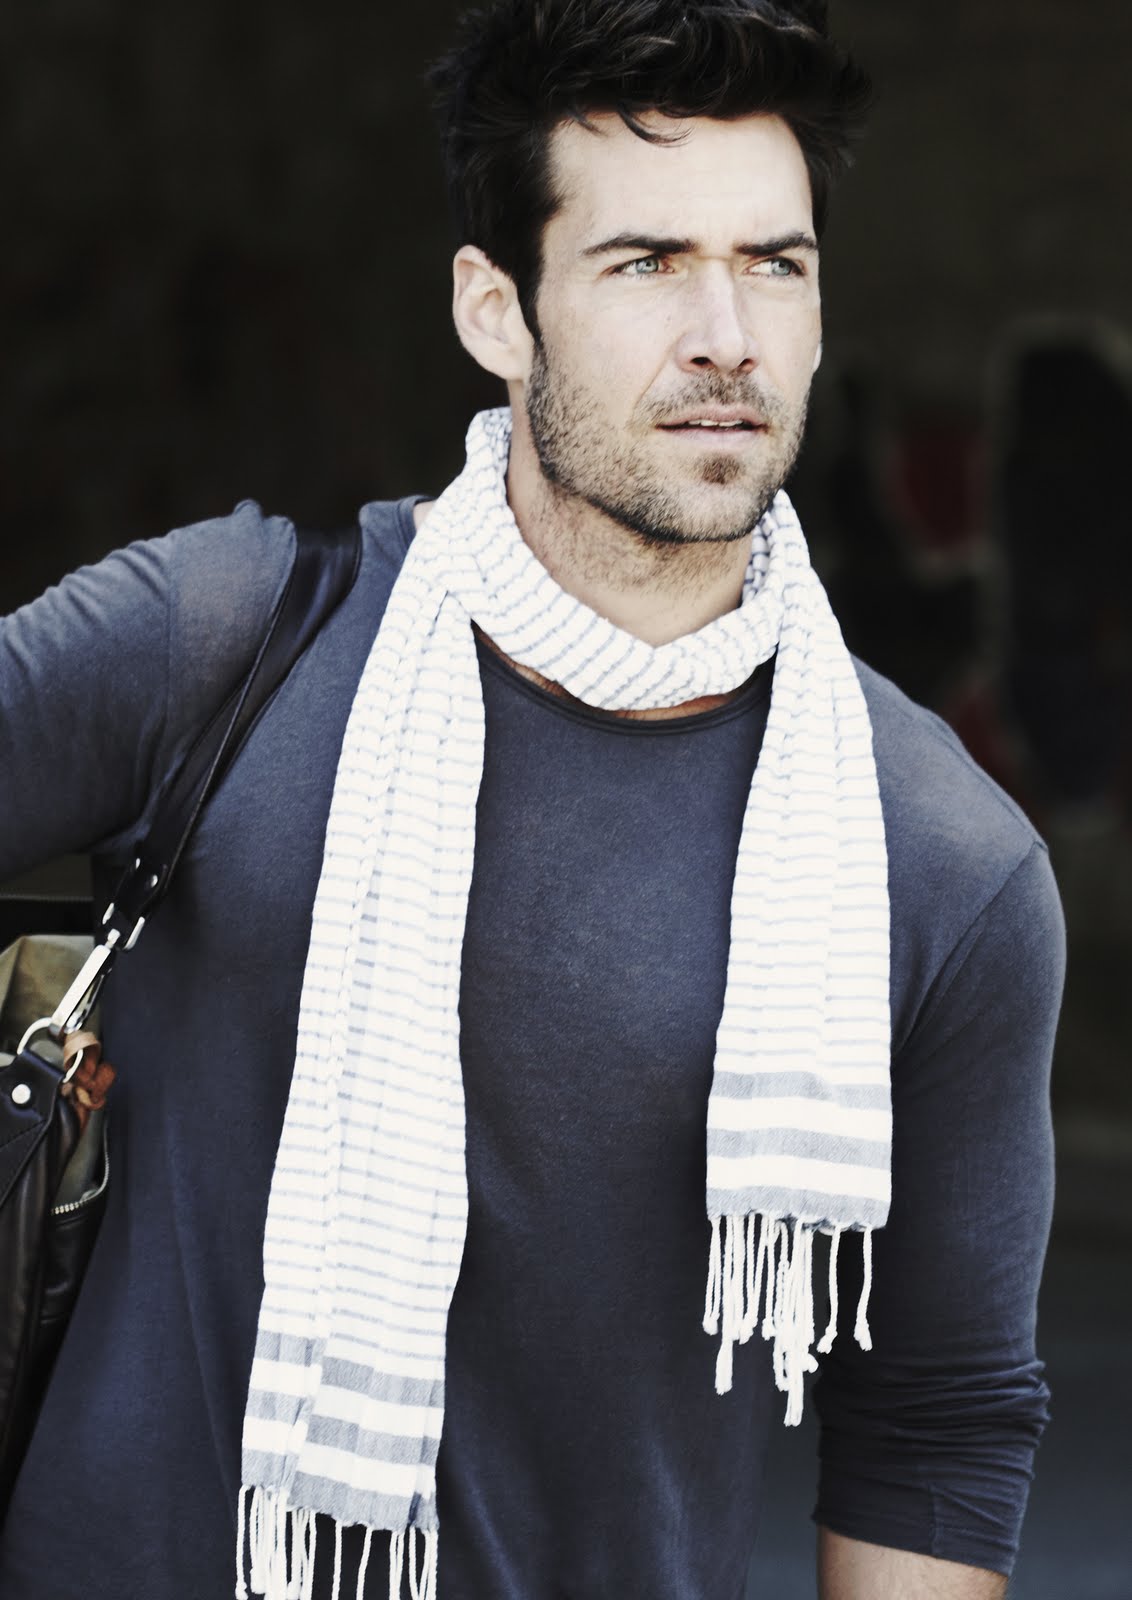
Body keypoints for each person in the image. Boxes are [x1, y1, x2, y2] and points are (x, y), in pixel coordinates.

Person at [0, 2, 1065, 1598]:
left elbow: (936, 1428)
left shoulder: (939, 858)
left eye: (774, 264)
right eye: (648, 264)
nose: (727, 335)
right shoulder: (226, 641)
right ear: (496, 311)